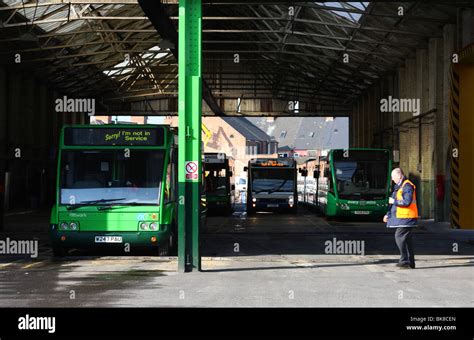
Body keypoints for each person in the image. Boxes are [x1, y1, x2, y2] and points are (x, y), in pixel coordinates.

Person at [383, 168, 419, 269]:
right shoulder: (398, 186)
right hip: (403, 218)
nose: (392, 179)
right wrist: (388, 215)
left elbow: (406, 202)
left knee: (399, 237)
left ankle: (404, 261)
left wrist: (394, 201)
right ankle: (410, 263)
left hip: (407, 217)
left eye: (393, 177)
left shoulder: (407, 186)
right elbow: (393, 203)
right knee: (407, 240)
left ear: (399, 176)